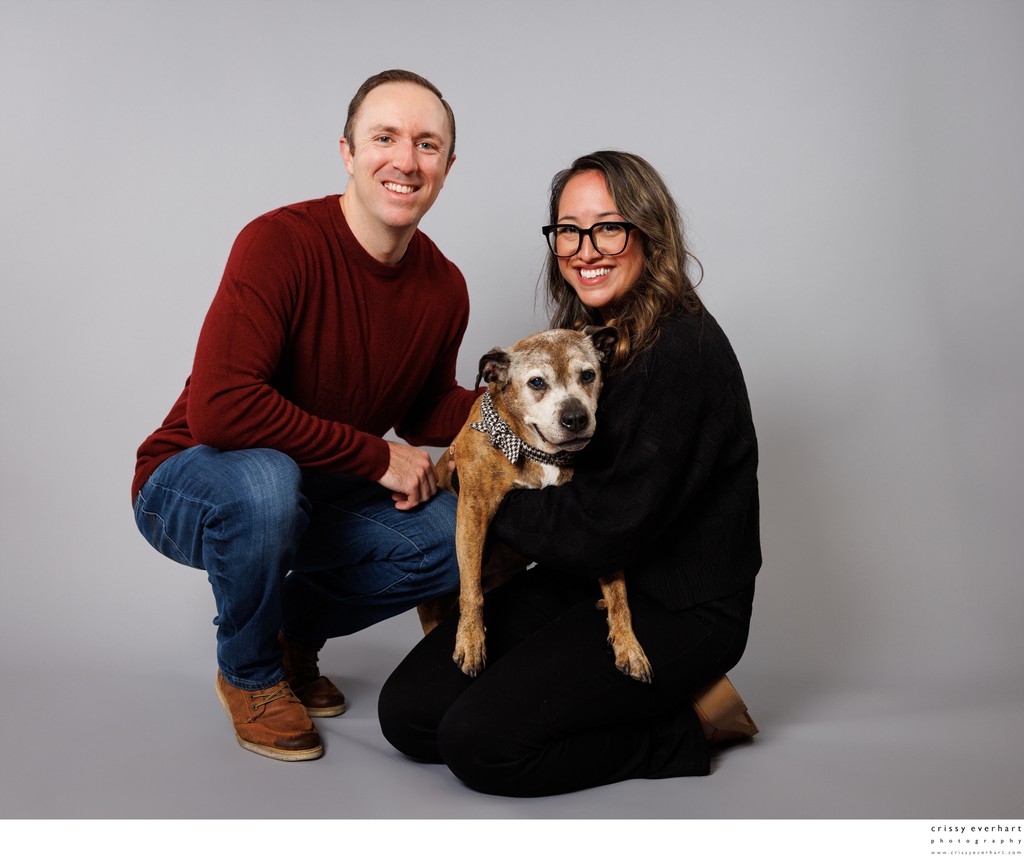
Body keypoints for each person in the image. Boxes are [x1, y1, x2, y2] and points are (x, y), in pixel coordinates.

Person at [378, 151, 761, 796]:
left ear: (650, 233)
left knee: (480, 745)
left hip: (676, 606)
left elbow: (599, 529)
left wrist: (482, 480)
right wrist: (493, 443)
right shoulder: (590, 337)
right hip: (580, 577)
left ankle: (690, 724)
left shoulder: (683, 352)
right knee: (409, 715)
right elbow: (541, 460)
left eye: (609, 227)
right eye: (568, 231)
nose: (586, 249)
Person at [132, 70, 479, 762]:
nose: (406, 161)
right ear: (348, 152)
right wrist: (378, 458)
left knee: (452, 537)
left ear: (446, 166)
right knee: (267, 482)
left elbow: (423, 405)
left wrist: (519, 410)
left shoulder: (444, 286)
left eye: (427, 144)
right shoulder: (279, 242)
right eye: (385, 138)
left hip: (313, 491)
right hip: (192, 480)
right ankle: (250, 672)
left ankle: (291, 636)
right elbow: (222, 408)